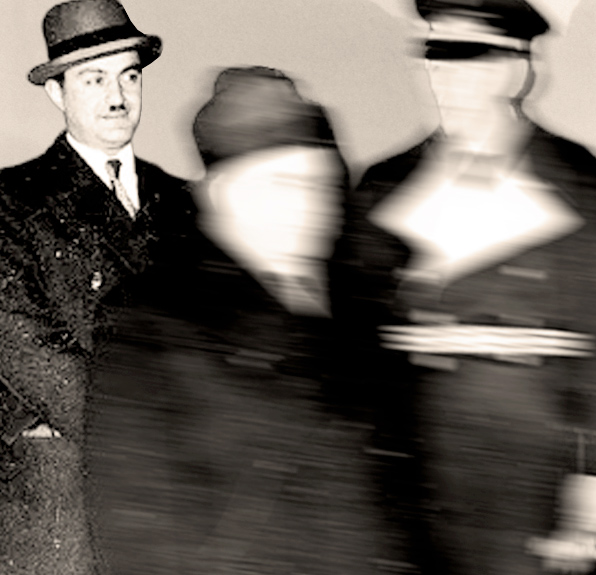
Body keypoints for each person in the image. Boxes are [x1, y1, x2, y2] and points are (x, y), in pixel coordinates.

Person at [333, 1, 596, 573]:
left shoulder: (586, 187)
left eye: (470, 54)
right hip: (410, 488)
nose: (447, 75)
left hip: (528, 491)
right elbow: (356, 350)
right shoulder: (383, 186)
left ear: (517, 69)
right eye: (434, 52)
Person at [85, 66, 373, 575]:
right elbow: (137, 527)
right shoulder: (149, 325)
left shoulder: (358, 310)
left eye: (322, 184)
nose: (308, 207)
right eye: (282, 184)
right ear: (219, 193)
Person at [0, 1, 192, 573]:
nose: (117, 97)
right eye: (94, 79)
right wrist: (167, 430)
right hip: (63, 510)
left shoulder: (185, 201)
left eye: (129, 76)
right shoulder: (11, 204)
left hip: (181, 503)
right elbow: (29, 353)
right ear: (57, 93)